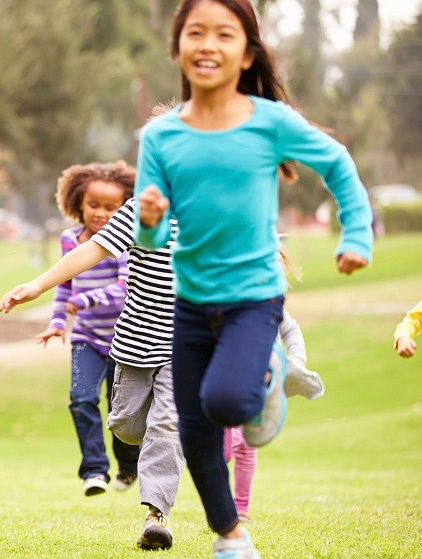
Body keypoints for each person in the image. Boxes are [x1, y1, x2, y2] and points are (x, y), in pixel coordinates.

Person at [133, 1, 374, 557]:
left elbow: (337, 164)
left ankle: (267, 377)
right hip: (189, 299)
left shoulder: (270, 122)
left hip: (254, 298)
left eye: (225, 34)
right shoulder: (161, 138)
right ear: (178, 48)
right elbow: (152, 239)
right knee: (194, 430)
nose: (208, 45)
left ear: (246, 53)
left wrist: (356, 235)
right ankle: (231, 536)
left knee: (224, 402)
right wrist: (149, 222)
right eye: (196, 33)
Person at [1, 191, 186, 551]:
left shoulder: (211, 214)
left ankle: (156, 515)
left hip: (184, 344)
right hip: (135, 343)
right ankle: (159, 444)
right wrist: (38, 285)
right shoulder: (139, 209)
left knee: (166, 424)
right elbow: (92, 249)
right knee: (129, 426)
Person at [34, 162, 140, 497]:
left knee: (120, 411)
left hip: (125, 339)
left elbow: (126, 288)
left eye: (112, 208)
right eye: (94, 205)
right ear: (78, 202)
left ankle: (128, 465)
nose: (101, 214)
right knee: (81, 399)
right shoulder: (70, 240)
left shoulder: (124, 243)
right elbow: (65, 287)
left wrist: (87, 300)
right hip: (87, 339)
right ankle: (95, 470)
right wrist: (57, 322)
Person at [224, 303, 325, 523]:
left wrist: (297, 360)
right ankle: (220, 503)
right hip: (227, 379)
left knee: (247, 446)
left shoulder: (270, 300)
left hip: (261, 381)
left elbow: (291, 329)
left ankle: (240, 509)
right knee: (226, 450)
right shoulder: (227, 292)